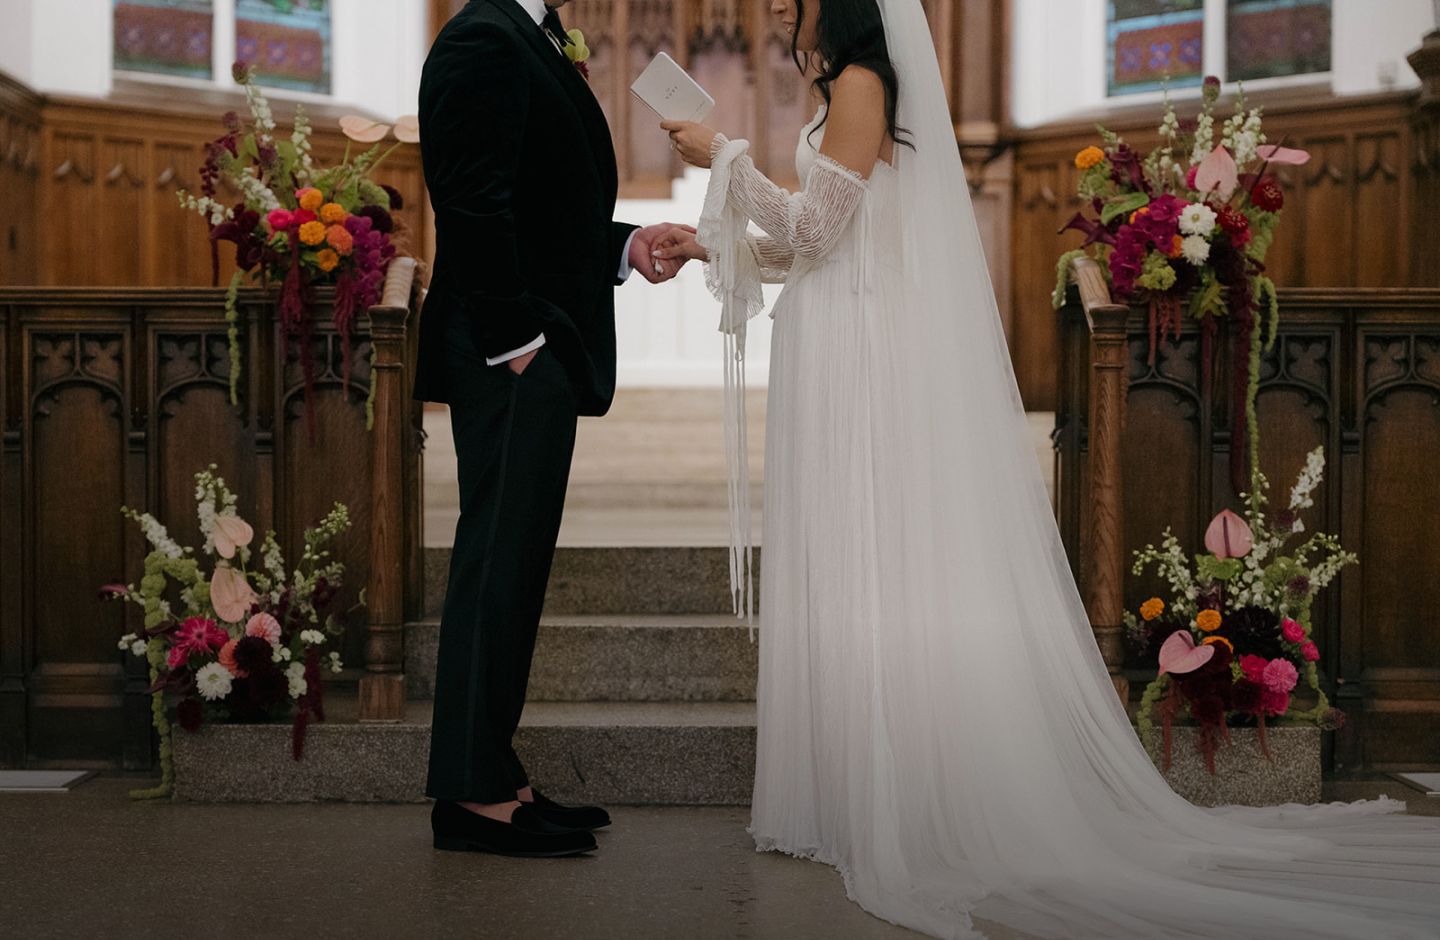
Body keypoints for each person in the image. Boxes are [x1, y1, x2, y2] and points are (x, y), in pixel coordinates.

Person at [653, 0, 1440, 935]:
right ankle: (848, 785)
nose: (777, 8)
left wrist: (727, 160)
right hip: (833, 341)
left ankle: (897, 791)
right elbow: (807, 244)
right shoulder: (834, 97)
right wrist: (714, 239)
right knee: (843, 557)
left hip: (863, 355)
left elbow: (818, 231)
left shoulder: (863, 86)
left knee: (878, 552)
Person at [414, 0, 694, 858]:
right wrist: (515, 339)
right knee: (497, 562)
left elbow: (535, 203)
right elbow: (470, 198)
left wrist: (623, 247)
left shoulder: (524, 34)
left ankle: (496, 777)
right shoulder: (479, 38)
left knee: (516, 562)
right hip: (509, 347)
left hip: (526, 336)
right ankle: (470, 797)